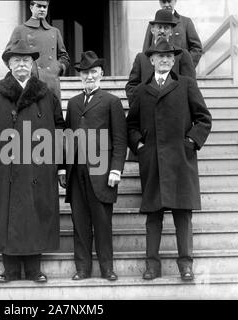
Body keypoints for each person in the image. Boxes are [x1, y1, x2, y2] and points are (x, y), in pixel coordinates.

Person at [0, 39, 65, 283]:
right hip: (6, 168)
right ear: (9, 64)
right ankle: (10, 270)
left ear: (32, 64)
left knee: (36, 214)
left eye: (26, 60)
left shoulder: (46, 95)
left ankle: (35, 269)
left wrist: (58, 162)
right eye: (17, 61)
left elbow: (59, 127)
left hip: (39, 166)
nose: (22, 65)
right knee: (7, 215)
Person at [126, 38, 212, 281]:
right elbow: (130, 124)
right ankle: (152, 265)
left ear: (174, 60)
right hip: (152, 160)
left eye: (169, 57)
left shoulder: (185, 85)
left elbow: (204, 118)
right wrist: (140, 146)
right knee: (153, 216)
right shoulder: (142, 91)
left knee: (183, 215)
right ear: (151, 60)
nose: (164, 60)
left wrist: (191, 142)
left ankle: (186, 264)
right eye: (159, 56)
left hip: (180, 160)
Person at [58, 51, 127, 281]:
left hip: (102, 171)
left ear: (101, 74)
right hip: (77, 171)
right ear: (80, 76)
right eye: (85, 73)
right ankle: (83, 268)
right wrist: (61, 167)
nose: (89, 76)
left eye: (93, 72)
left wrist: (116, 168)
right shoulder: (74, 103)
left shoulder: (111, 101)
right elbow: (67, 137)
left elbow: (119, 139)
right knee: (80, 222)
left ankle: (107, 268)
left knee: (102, 222)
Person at [126, 9, 196, 106]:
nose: (162, 31)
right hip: (149, 114)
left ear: (171, 31)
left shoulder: (182, 55)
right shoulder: (141, 58)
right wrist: (140, 106)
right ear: (152, 30)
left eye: (166, 28)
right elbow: (131, 86)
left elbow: (191, 88)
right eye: (159, 27)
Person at [5, 0, 70, 100]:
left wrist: (58, 68)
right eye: (39, 6)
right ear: (31, 7)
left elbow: (64, 56)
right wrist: (21, 70)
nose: (42, 9)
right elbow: (7, 54)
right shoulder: (20, 30)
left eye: (45, 7)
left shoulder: (54, 31)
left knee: (52, 114)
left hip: (51, 83)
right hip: (29, 82)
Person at [142, 0, 202, 67]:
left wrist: (187, 67)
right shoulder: (153, 25)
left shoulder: (185, 22)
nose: (167, 5)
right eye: (164, 2)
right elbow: (146, 50)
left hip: (180, 73)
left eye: (169, 1)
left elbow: (196, 48)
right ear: (159, 2)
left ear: (175, 1)